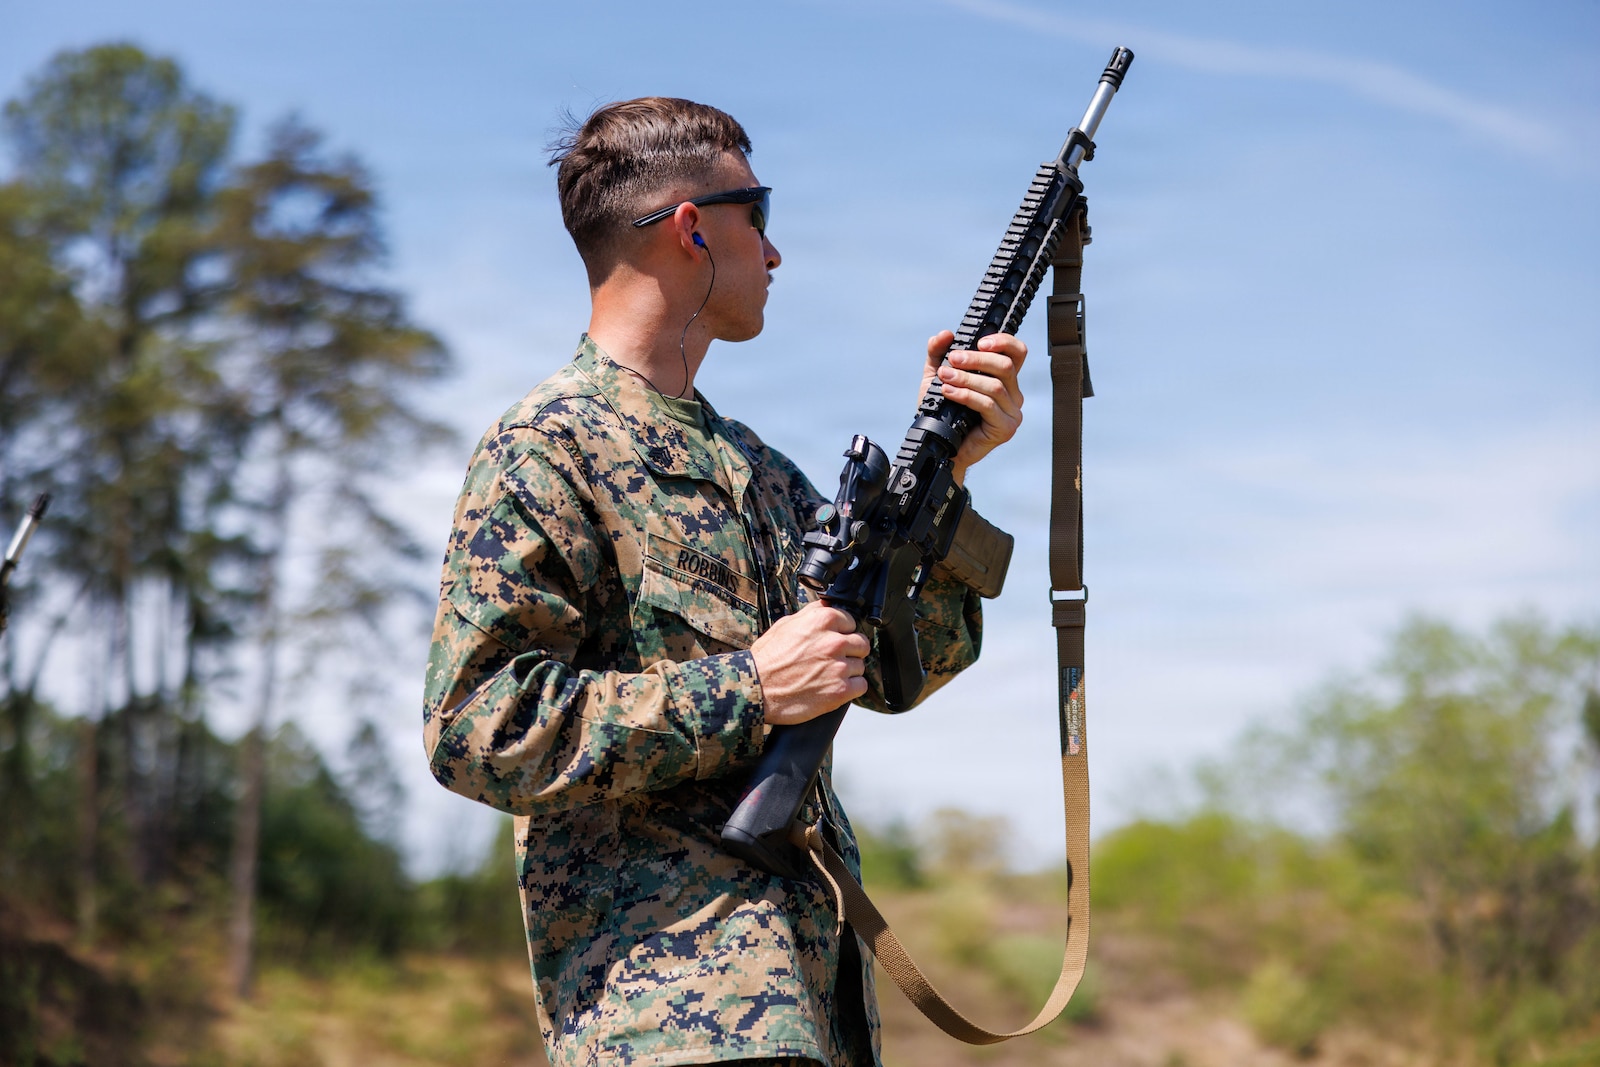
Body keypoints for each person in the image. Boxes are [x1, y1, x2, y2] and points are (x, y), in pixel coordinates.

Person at [423, 97, 1027, 1067]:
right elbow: (478, 728)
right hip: (662, 1018)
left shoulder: (763, 471)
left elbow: (898, 675)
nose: (777, 255)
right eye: (762, 215)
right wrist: (745, 690)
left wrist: (943, 475)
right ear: (693, 225)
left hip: (815, 1005)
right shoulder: (550, 444)